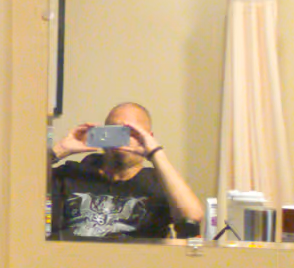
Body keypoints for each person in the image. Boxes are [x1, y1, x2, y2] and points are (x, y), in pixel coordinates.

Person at [49, 102, 204, 241]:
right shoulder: (71, 174)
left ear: (148, 138)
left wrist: (156, 153)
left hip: (136, 267)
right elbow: (26, 186)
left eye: (133, 132)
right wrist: (59, 150)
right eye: (116, 132)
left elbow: (192, 217)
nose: (124, 139)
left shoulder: (159, 182)